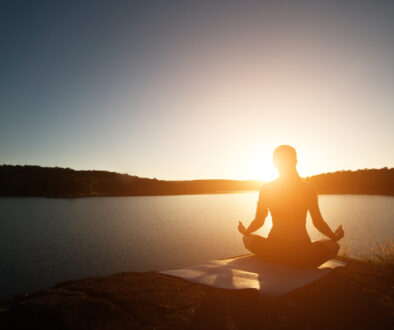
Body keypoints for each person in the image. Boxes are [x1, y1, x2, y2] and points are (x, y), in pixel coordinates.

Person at [238, 145, 344, 267]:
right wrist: (334, 237)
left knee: (246, 239)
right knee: (334, 246)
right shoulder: (308, 189)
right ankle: (297, 261)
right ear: (295, 161)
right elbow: (318, 222)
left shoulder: (267, 189)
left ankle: (278, 259)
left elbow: (259, 221)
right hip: (302, 254)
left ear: (274, 163)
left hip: (273, 251)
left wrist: (246, 231)